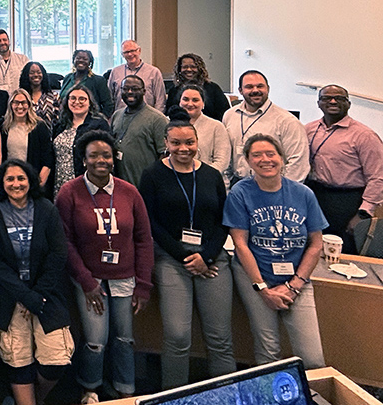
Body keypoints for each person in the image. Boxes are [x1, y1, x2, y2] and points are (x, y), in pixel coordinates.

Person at [55, 130, 153, 403]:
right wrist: (86, 282)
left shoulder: (129, 192)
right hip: (88, 278)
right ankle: (91, 387)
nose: (101, 160)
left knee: (124, 338)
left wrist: (143, 285)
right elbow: (64, 241)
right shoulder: (69, 192)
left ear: (114, 159)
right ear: (84, 160)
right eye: (94, 155)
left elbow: (144, 239)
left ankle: (125, 388)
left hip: (125, 277)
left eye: (106, 155)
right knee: (96, 340)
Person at [138, 113, 234, 389]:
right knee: (178, 336)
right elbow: (149, 221)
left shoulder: (211, 175)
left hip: (212, 260)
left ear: (197, 141)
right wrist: (183, 256)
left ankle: (226, 395)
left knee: (220, 337)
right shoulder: (153, 174)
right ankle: (175, 395)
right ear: (166, 142)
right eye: (176, 143)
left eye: (189, 142)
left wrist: (205, 256)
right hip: (171, 259)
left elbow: (222, 221)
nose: (184, 149)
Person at [223, 134, 327, 369]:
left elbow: (316, 244)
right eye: (256, 155)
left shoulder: (303, 194)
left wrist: (294, 285)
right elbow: (240, 244)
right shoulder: (240, 193)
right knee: (268, 352)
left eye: (271, 154)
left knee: (312, 358)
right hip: (256, 278)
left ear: (282, 158)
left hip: (297, 278)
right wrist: (262, 289)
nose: (265, 159)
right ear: (248, 161)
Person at [0, 159, 74, 405]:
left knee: (56, 359)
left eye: (21, 178)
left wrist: (36, 296)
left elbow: (58, 254)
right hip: (9, 297)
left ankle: (36, 399)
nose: (16, 183)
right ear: (1, 183)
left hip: (46, 295)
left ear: (30, 180)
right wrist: (24, 295)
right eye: (9, 179)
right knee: (18, 358)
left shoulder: (46, 209)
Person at [305, 84, 383, 255]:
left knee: (342, 252)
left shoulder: (365, 136)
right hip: (315, 195)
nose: (332, 101)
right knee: (312, 248)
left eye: (339, 98)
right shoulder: (309, 129)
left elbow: (378, 178)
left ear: (348, 104)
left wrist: (363, 215)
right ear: (319, 103)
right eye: (327, 98)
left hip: (347, 202)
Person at [222, 70, 309, 185]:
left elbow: (298, 162)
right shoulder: (230, 115)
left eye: (260, 86)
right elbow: (226, 155)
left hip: (271, 186)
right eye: (249, 87)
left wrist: (282, 191)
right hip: (238, 184)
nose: (255, 90)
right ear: (240, 91)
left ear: (268, 88)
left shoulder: (287, 121)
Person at [53, 86, 111, 196]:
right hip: (59, 183)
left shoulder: (98, 125)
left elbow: (107, 155)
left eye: (82, 99)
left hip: (87, 184)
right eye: (73, 98)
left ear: (90, 102)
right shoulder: (61, 125)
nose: (77, 102)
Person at [111, 75, 169, 186]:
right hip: (120, 184)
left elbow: (165, 155)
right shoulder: (116, 115)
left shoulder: (157, 119)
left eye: (135, 89)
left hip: (145, 185)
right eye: (125, 89)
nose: (130, 92)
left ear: (144, 91)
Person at [2, 89, 54, 197]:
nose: (20, 106)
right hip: (10, 182)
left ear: (29, 104)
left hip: (32, 183)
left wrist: (38, 184)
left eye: (23, 102)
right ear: (10, 104)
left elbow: (48, 160)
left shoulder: (39, 126)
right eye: (16, 102)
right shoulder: (3, 127)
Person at [178, 85, 231, 174]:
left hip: (209, 179)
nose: (190, 104)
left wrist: (201, 176)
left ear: (203, 104)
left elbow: (222, 161)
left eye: (195, 100)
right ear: (179, 102)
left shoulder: (217, 126)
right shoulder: (170, 125)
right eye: (186, 99)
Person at [165, 53, 230, 121]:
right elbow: (170, 114)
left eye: (193, 67)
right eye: (185, 67)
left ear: (200, 69)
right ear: (179, 69)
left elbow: (224, 114)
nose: (189, 69)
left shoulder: (213, 89)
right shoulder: (174, 91)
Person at [108, 40, 166, 113]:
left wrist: (157, 119)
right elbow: (109, 98)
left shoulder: (153, 72)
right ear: (122, 55)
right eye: (126, 52)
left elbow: (160, 100)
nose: (130, 54)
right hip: (122, 117)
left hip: (147, 117)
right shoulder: (115, 72)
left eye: (132, 50)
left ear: (139, 50)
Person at [60, 50, 114, 118]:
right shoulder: (67, 78)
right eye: (78, 58)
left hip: (90, 122)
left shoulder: (99, 81)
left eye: (85, 59)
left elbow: (108, 105)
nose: (81, 60)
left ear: (90, 63)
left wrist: (99, 121)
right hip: (67, 120)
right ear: (73, 61)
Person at [0, 29, 29, 93]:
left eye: (5, 40)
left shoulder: (23, 59)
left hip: (18, 99)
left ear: (9, 41)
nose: (2, 43)